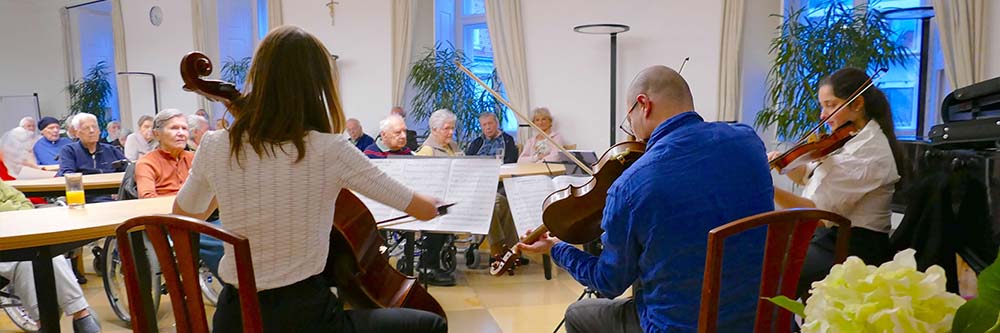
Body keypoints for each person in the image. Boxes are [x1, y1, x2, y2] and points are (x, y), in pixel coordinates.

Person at [172, 25, 446, 333]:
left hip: (235, 318)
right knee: (430, 325)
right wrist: (434, 205)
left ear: (258, 78)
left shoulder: (215, 144)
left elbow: (184, 215)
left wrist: (231, 183)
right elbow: (418, 207)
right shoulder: (329, 149)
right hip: (305, 319)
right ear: (318, 85)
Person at [518, 65, 774, 332]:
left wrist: (557, 248)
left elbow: (609, 284)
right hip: (761, 318)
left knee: (578, 315)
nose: (633, 132)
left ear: (644, 105)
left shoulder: (631, 184)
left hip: (680, 326)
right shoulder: (749, 141)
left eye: (629, 118)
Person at [769, 68, 901, 298]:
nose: (822, 115)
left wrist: (766, 188)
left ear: (857, 104)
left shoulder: (867, 153)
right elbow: (809, 176)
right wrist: (783, 163)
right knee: (765, 258)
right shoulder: (850, 139)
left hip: (853, 250)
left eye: (830, 105)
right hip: (832, 239)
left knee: (771, 272)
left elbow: (816, 216)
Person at [414, 109, 521, 286]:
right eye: (446, 129)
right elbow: (425, 183)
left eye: (452, 128)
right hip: (444, 201)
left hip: (462, 193)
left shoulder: (453, 146)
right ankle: (498, 251)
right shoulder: (427, 151)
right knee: (491, 205)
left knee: (502, 200)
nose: (451, 132)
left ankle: (509, 249)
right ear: (434, 130)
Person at [0, 181, 102, 333]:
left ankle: (75, 316)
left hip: (12, 239)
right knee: (32, 257)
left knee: (44, 253)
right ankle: (81, 316)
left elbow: (26, 205)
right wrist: (9, 207)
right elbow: (17, 207)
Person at [135, 109, 223, 276]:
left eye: (184, 128)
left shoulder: (193, 157)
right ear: (157, 134)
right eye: (174, 128)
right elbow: (147, 200)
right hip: (173, 222)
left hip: (205, 215)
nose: (181, 133)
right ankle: (236, 291)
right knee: (221, 242)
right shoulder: (147, 162)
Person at [57, 113, 127, 202]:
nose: (92, 131)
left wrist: (119, 189)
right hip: (85, 197)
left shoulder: (111, 150)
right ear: (77, 133)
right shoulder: (69, 151)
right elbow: (68, 176)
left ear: (99, 131)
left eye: (95, 127)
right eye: (86, 128)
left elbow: (128, 170)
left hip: (114, 196)